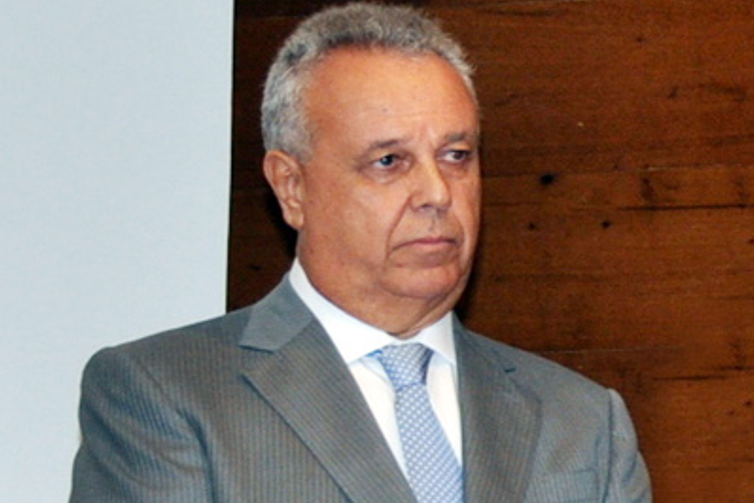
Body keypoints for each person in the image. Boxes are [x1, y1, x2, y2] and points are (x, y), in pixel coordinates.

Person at [69, 3, 651, 502]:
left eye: (456, 155)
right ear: (292, 188)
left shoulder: (581, 420)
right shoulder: (167, 395)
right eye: (389, 161)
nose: (437, 193)